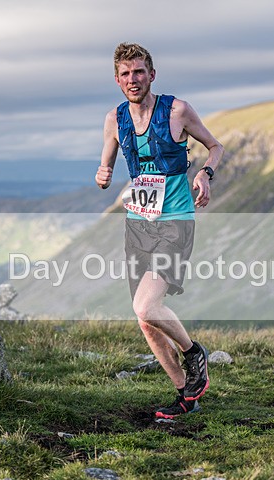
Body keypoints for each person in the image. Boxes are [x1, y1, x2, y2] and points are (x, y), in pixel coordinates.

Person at [96, 42, 224, 419]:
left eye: (139, 72)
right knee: (146, 320)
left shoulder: (177, 111)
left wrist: (205, 173)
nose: (133, 79)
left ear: (152, 74)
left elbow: (215, 146)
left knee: (147, 305)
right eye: (125, 74)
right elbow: (106, 164)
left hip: (175, 221)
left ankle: (193, 353)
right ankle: (186, 396)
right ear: (117, 80)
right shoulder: (114, 119)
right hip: (138, 224)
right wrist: (103, 173)